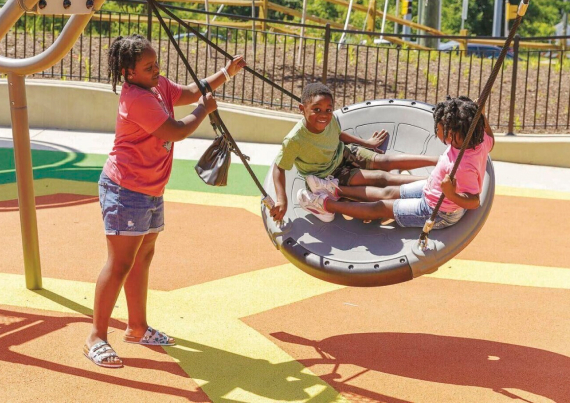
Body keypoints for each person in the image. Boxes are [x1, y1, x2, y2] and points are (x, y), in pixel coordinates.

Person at [84, 35, 245, 368]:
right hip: (125, 189)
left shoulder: (155, 86)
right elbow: (174, 130)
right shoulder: (135, 99)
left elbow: (186, 92)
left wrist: (225, 73)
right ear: (128, 73)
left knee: (143, 255)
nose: (156, 70)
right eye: (148, 67)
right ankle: (96, 337)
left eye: (156, 63)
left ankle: (137, 327)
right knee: (120, 263)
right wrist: (205, 109)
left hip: (150, 189)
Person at [298, 95, 494, 227]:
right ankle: (335, 190)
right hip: (431, 190)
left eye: (442, 127)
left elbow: (473, 201)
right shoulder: (480, 140)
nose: (438, 130)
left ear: (455, 133)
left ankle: (324, 204)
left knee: (380, 207)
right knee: (388, 191)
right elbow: (489, 134)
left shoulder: (464, 166)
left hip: (437, 210)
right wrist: (480, 114)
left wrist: (450, 193)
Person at [270, 82, 439, 222]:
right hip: (329, 174)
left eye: (328, 109)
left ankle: (437, 161)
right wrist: (281, 200)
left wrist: (367, 143)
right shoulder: (294, 140)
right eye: (316, 109)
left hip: (344, 153)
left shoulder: (330, 119)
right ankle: (430, 183)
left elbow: (338, 135)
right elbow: (279, 167)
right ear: (302, 108)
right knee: (381, 179)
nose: (324, 115)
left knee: (384, 161)